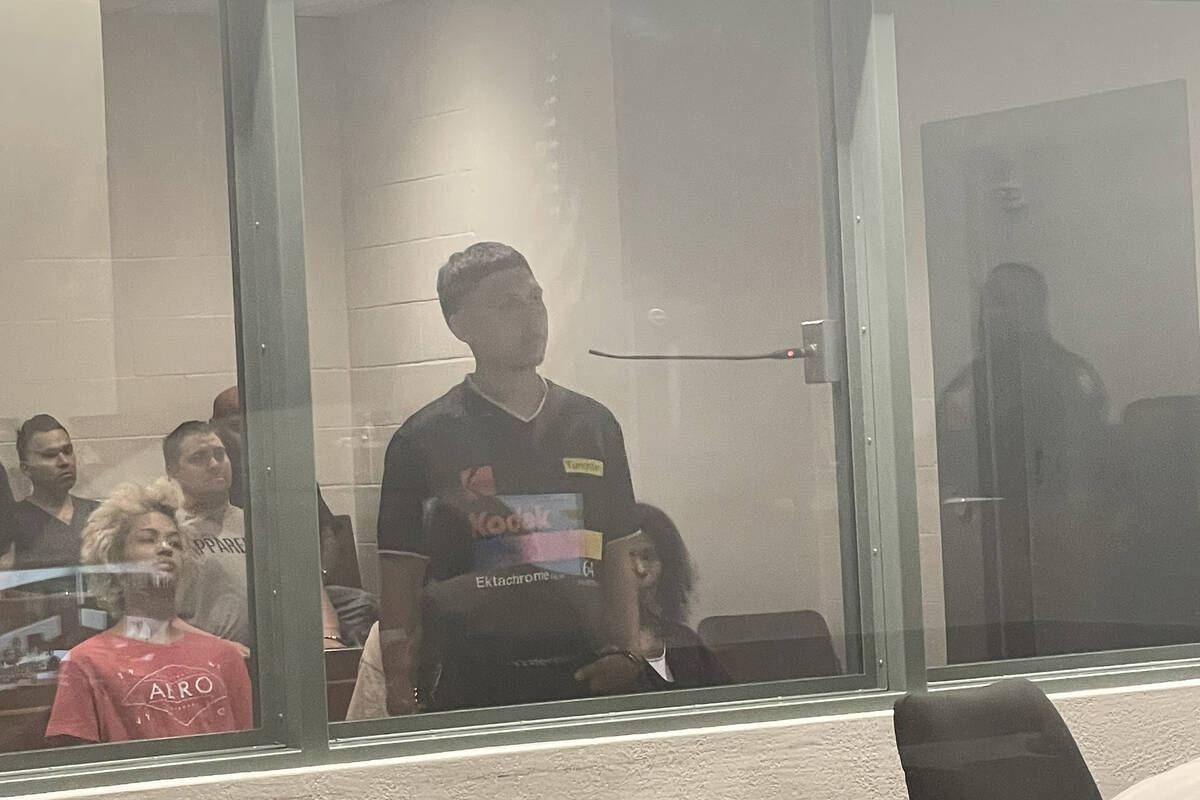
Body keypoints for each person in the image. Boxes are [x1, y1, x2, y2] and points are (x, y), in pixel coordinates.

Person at [376, 241, 644, 714]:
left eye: (535, 298)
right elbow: (400, 580)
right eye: (507, 304)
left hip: (584, 677)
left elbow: (618, 550)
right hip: (469, 686)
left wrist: (628, 653)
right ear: (459, 325)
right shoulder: (422, 439)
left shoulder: (593, 424)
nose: (531, 316)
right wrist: (399, 684)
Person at [44, 479, 252, 744]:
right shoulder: (85, 663)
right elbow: (78, 763)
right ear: (114, 560)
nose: (165, 547)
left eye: (175, 543)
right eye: (148, 539)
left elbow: (247, 755)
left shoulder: (224, 657)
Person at [209, 386, 378, 646]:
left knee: (362, 604)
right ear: (214, 428)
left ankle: (342, 668)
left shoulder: (290, 474)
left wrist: (315, 578)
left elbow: (327, 534)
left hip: (296, 590)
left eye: (257, 425)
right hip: (235, 593)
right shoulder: (210, 477)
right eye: (236, 426)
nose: (249, 435)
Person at [164, 421, 347, 653]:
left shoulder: (261, 525)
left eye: (219, 454)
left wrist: (329, 636)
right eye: (199, 458)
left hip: (275, 657)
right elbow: (152, 616)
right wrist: (220, 647)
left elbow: (308, 585)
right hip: (202, 659)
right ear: (172, 470)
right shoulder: (169, 530)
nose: (214, 465)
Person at [628, 503, 727, 689]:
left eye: (649, 557)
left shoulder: (684, 639)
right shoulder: (590, 648)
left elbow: (725, 698)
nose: (640, 569)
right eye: (628, 558)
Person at [8, 415, 98, 571]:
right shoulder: (11, 523)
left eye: (68, 451)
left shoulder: (99, 515)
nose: (64, 461)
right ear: (26, 468)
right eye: (50, 455)